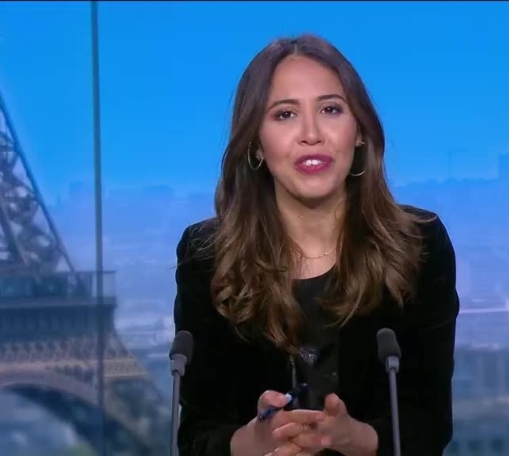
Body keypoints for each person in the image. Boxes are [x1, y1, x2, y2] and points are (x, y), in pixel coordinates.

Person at [173, 33, 460, 456]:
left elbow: (429, 423)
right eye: (285, 114)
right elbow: (197, 436)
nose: (311, 134)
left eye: (330, 109)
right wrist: (252, 441)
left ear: (359, 132)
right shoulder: (208, 257)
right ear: (255, 144)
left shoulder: (418, 245)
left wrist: (351, 438)